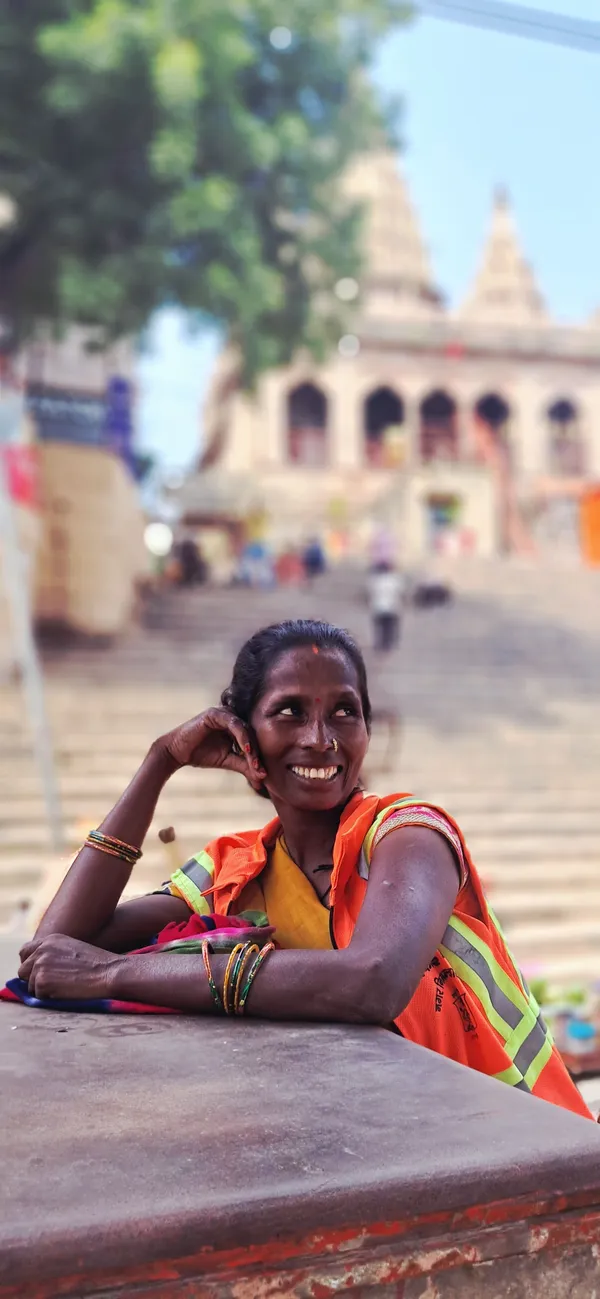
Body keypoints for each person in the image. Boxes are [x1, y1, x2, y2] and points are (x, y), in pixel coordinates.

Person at [17, 619, 591, 1119]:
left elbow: (373, 983)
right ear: (242, 736)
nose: (320, 740)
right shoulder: (235, 868)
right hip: (406, 1137)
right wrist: (159, 762)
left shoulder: (406, 835)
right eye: (289, 712)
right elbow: (56, 949)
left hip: (522, 1132)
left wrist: (113, 975)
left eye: (345, 712)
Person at [369, 562, 406, 652]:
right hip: (391, 607)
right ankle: (388, 644)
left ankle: (379, 644)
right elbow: (401, 593)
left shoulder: (375, 580)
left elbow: (370, 593)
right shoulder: (395, 579)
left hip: (378, 607)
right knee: (389, 628)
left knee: (380, 628)